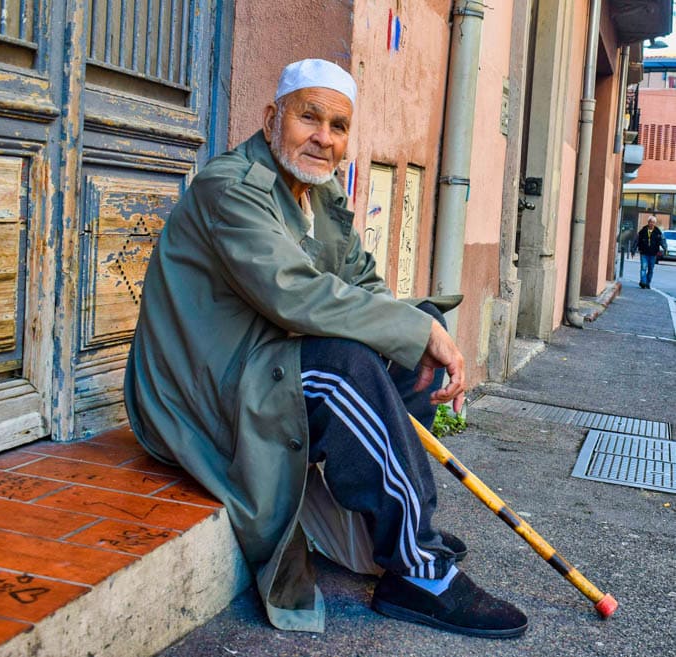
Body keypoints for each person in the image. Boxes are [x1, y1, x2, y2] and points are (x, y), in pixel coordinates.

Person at [124, 59, 527, 639]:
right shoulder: (231, 188)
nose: (323, 137)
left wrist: (421, 329)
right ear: (272, 119)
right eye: (308, 117)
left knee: (410, 339)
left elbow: (359, 281)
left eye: (338, 126)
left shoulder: (317, 190)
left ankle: (382, 527)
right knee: (345, 371)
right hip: (201, 392)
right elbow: (296, 295)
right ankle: (420, 569)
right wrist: (415, 331)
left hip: (264, 360)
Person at [637, 215, 666, 288]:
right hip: (644, 252)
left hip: (653, 254)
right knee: (643, 268)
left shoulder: (658, 232)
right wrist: (633, 249)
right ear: (648, 222)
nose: (651, 223)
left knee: (650, 269)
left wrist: (665, 247)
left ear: (655, 223)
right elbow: (637, 240)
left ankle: (647, 283)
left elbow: (662, 240)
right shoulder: (643, 231)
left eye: (653, 222)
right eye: (650, 222)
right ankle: (643, 282)